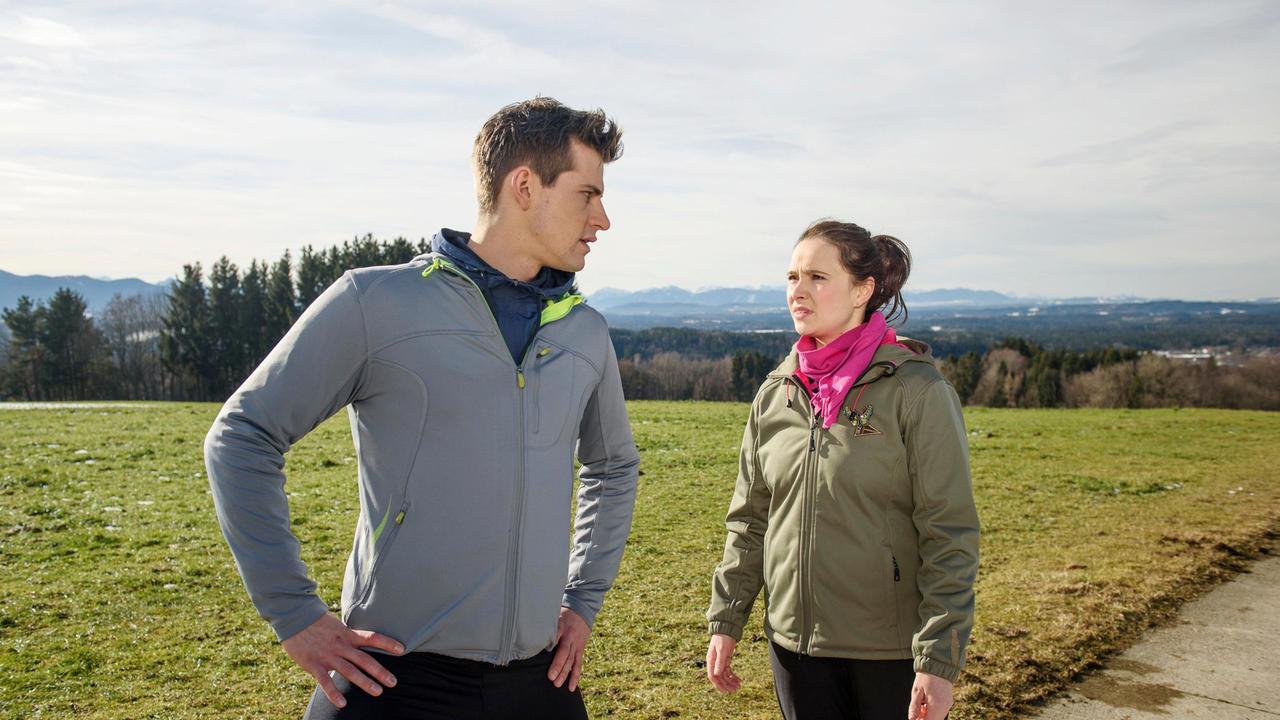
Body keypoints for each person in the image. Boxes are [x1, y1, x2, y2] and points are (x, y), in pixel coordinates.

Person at [204, 97, 639, 719]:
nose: (602, 219)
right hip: (393, 679)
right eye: (586, 194)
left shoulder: (585, 331)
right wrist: (295, 614)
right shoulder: (375, 302)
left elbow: (613, 466)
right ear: (524, 186)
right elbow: (241, 436)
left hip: (540, 683)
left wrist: (584, 599)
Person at [704, 220, 980, 720]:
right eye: (792, 277)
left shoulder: (916, 392)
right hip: (794, 648)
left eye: (817, 277)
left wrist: (939, 659)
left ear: (862, 290)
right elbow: (750, 520)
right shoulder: (776, 394)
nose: (798, 292)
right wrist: (727, 619)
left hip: (888, 653)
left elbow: (949, 531)